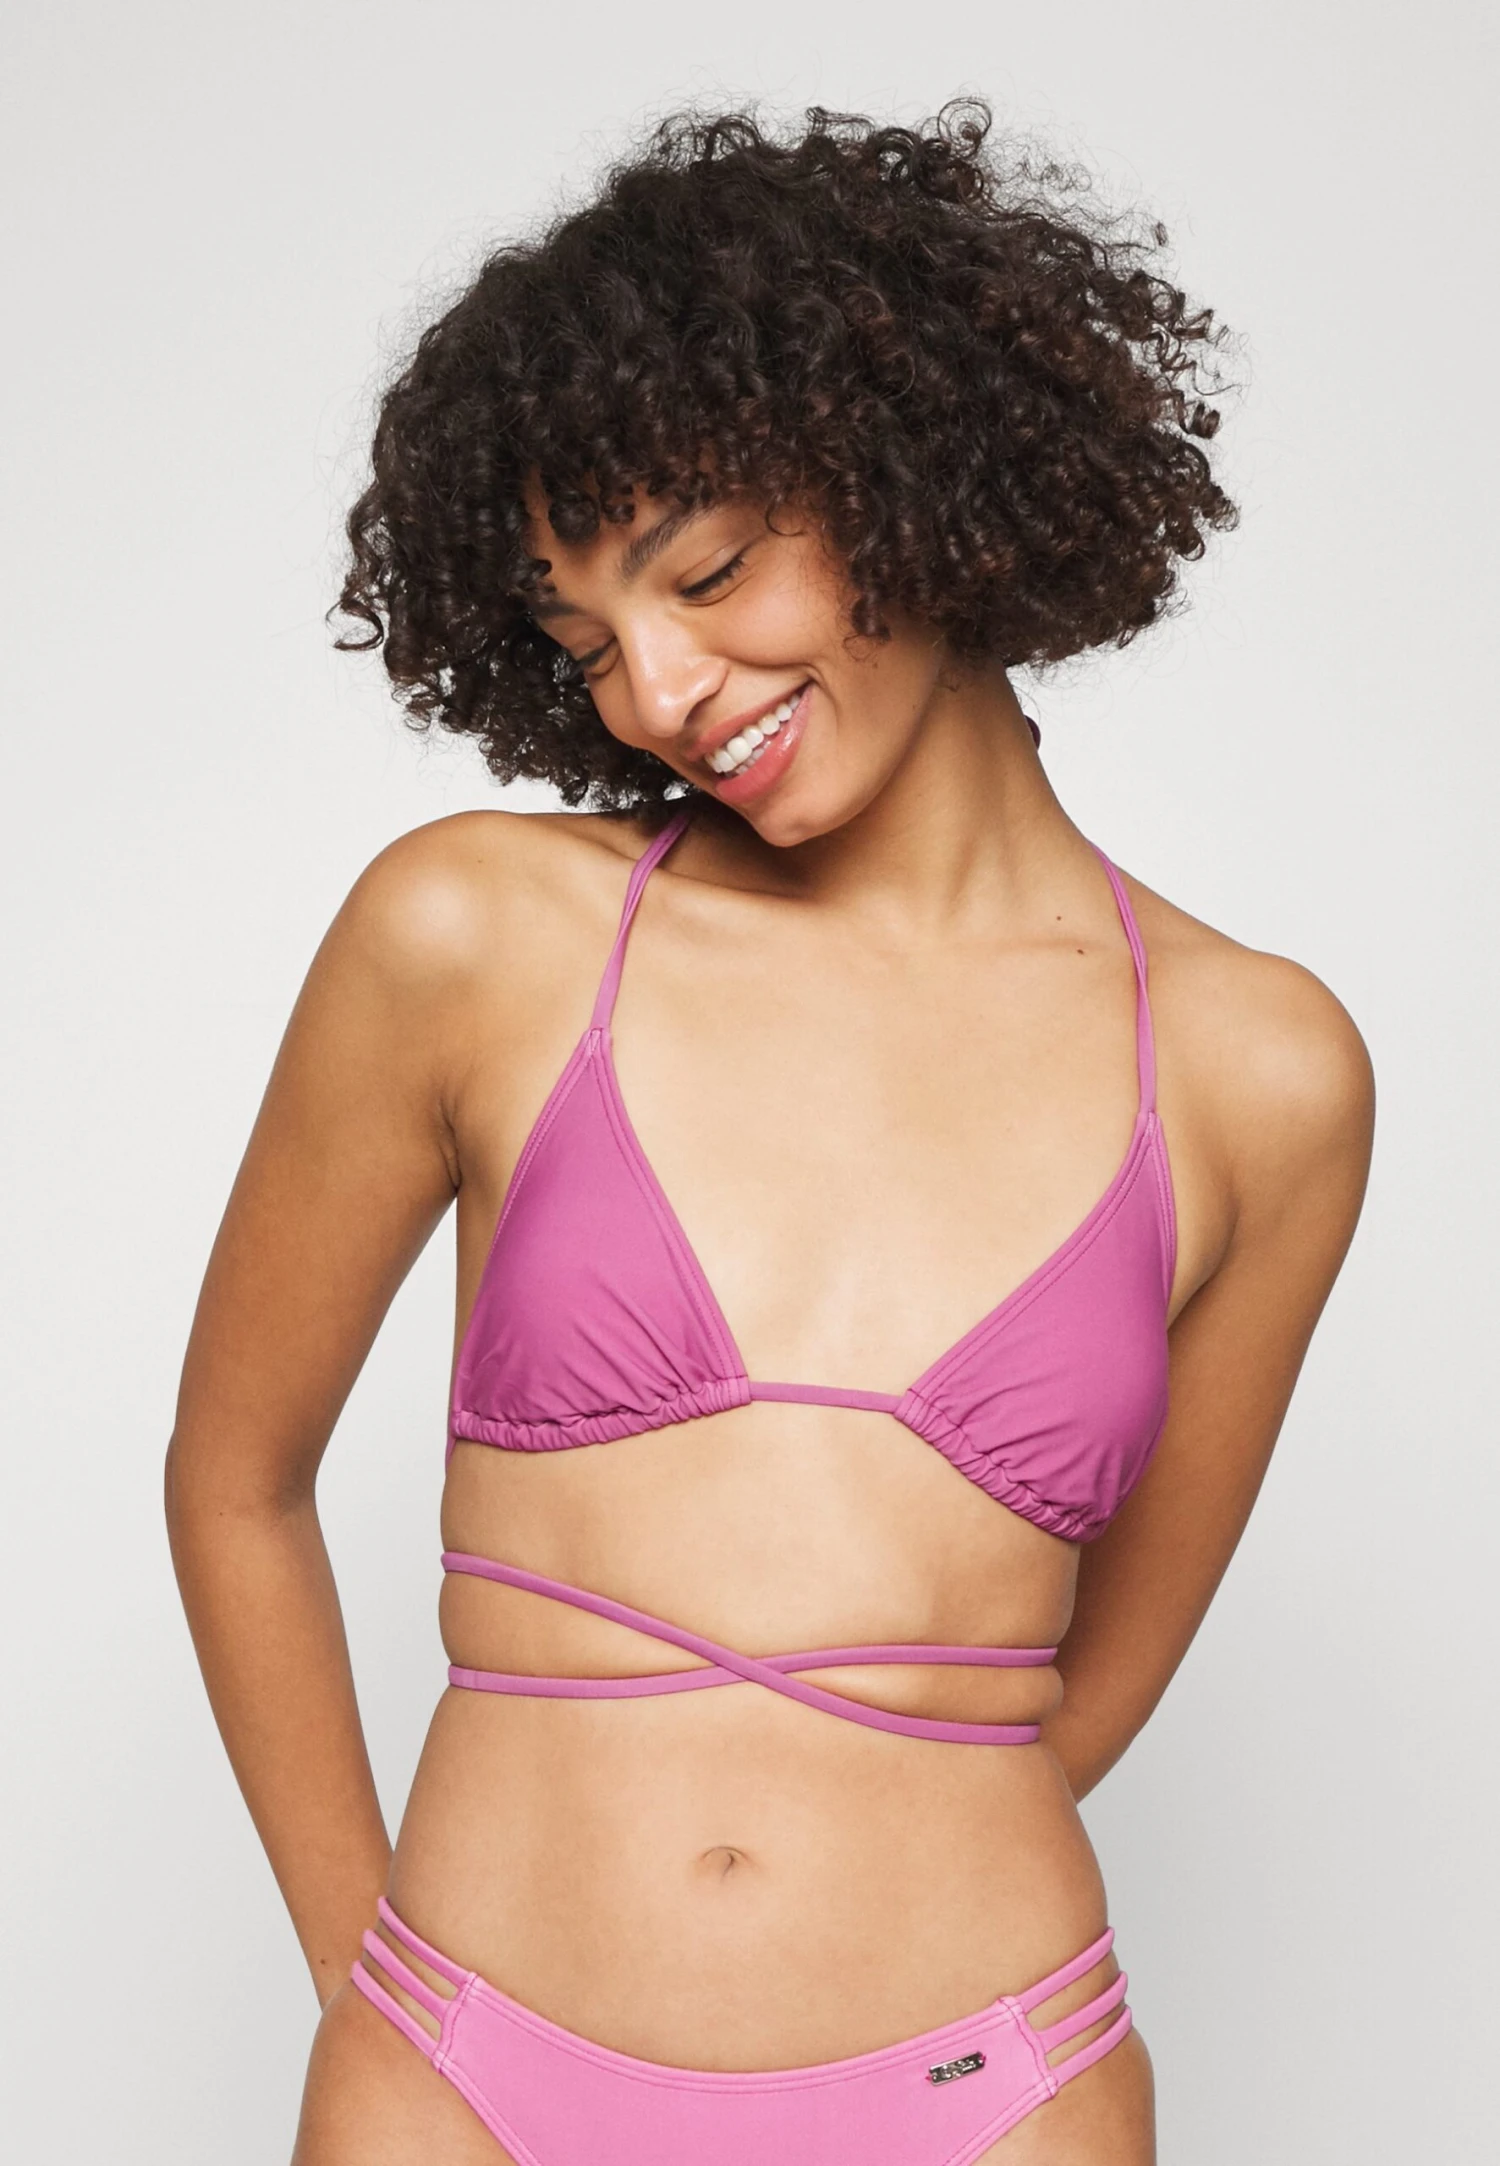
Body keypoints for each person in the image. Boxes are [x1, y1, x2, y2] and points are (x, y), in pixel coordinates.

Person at [166, 104, 1373, 2165]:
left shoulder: (1262, 1072)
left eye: (708, 574)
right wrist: (384, 1994)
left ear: (912, 474)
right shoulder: (479, 937)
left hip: (992, 2094)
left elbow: (1080, 1693)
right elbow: (234, 1480)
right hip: (468, 2080)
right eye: (582, 641)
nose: (654, 691)